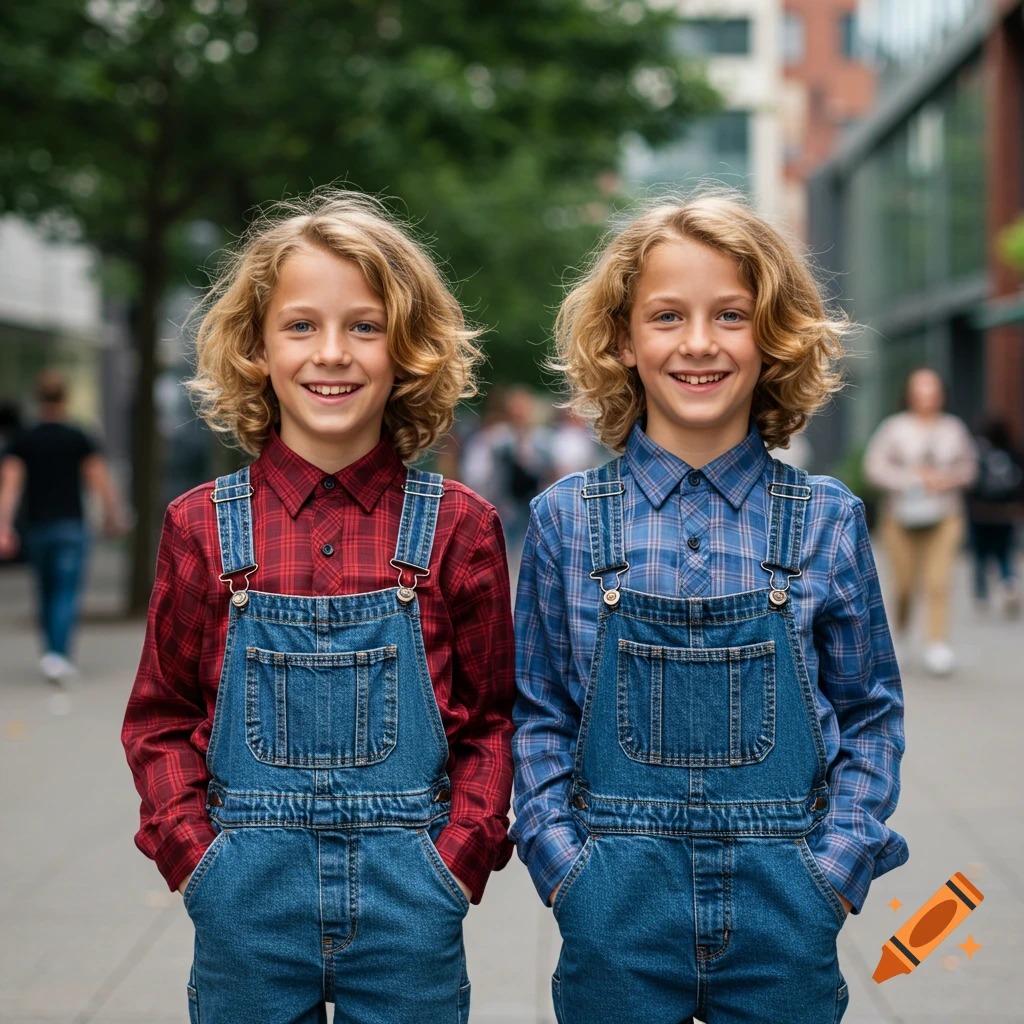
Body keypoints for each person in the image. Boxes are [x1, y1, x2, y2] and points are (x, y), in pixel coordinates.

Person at [120, 191, 515, 1024]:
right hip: (246, 908)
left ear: (408, 349)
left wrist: (460, 859)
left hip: (411, 907)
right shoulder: (199, 526)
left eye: (364, 327)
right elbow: (160, 716)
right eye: (301, 326)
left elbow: (490, 721)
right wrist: (196, 861)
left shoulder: (459, 527)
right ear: (256, 346)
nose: (331, 353)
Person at [511, 194, 907, 1024]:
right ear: (621, 339)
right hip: (613, 913)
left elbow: (869, 714)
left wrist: (833, 875)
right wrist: (563, 870)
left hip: (785, 914)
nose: (699, 342)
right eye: (666, 315)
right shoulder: (566, 521)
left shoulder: (827, 519)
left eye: (731, 314)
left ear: (773, 337)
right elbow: (538, 713)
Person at [0, 370, 126, 681]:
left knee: (45, 591)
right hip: (72, 526)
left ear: (38, 397)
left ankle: (51, 653)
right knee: (66, 592)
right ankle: (58, 654)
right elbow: (99, 480)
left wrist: (4, 525)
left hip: (38, 528)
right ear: (65, 398)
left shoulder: (23, 439)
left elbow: (10, 487)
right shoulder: (78, 436)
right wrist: (114, 514)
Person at [863, 368, 977, 675]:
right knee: (903, 585)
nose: (927, 396)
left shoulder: (954, 428)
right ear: (910, 394)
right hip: (901, 516)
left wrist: (946, 479)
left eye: (932, 389)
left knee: (939, 580)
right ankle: (899, 635)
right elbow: (873, 467)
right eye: (920, 390)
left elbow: (969, 468)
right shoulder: (894, 428)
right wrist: (911, 480)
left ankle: (936, 642)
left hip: (944, 515)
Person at [968, 418, 1022, 617]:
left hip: (981, 513)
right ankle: (1009, 582)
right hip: (1005, 513)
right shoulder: (1013, 453)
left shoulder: (978, 453)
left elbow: (970, 483)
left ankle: (981, 594)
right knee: (1004, 553)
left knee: (980, 556)